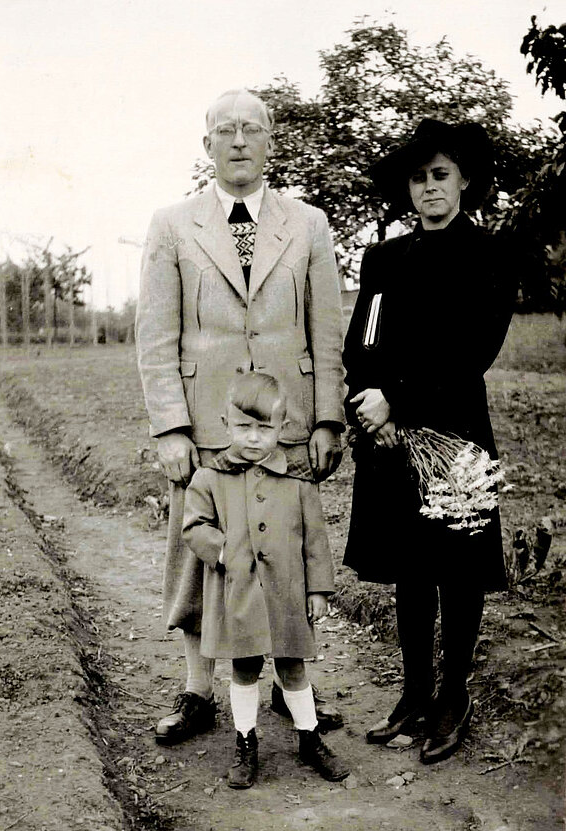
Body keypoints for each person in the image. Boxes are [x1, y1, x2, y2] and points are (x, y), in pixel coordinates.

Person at [135, 89, 345, 745]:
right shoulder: (172, 225)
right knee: (204, 555)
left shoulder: (308, 224)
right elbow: (154, 335)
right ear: (206, 146)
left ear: (270, 142)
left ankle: (289, 686)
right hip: (205, 425)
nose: (237, 140)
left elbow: (326, 329)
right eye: (223, 130)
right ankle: (198, 691)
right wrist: (171, 426)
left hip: (285, 420)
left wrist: (327, 419)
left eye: (251, 129)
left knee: (282, 555)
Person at [342, 119, 517, 764]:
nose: (429, 188)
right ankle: (414, 694)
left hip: (455, 434)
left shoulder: (488, 256)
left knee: (456, 567)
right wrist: (367, 405)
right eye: (418, 178)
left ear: (464, 180)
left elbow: (472, 352)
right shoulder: (384, 260)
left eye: (440, 175)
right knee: (410, 567)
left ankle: (453, 697)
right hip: (388, 438)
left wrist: (399, 400)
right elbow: (362, 343)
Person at [182, 372, 350, 788]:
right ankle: (245, 741)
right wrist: (223, 551)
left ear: (282, 428)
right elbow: (193, 527)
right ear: (225, 424)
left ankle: (309, 739)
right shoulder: (209, 478)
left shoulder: (298, 483)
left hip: (287, 593)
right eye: (243, 427)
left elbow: (315, 542)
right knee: (244, 668)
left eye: (264, 428)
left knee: (292, 667)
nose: (254, 438)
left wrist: (318, 590)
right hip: (240, 594)